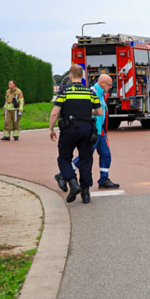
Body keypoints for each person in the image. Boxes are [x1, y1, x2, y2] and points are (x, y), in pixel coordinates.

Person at [49, 65, 102, 204]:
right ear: (83, 77)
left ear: (70, 76)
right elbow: (99, 112)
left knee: (64, 159)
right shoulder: (90, 93)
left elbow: (55, 112)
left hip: (69, 130)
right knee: (86, 160)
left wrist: (51, 129)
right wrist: (85, 113)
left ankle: (73, 183)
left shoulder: (65, 92)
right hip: (87, 130)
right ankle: (85, 193)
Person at [66, 74, 119, 190]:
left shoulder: (100, 93)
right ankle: (64, 173)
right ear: (102, 83)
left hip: (100, 131)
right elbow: (85, 111)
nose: (110, 87)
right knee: (86, 155)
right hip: (92, 130)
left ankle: (103, 179)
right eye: (109, 85)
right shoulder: (91, 92)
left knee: (105, 154)